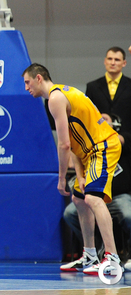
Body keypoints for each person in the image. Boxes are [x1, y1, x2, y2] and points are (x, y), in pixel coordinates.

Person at [22, 63, 123, 276]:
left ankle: (112, 257)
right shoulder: (61, 94)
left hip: (104, 146)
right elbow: (75, 143)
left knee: (93, 198)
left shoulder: (55, 99)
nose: (26, 88)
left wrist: (61, 178)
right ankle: (90, 255)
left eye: (27, 82)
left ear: (38, 78)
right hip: (89, 152)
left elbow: (64, 145)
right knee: (79, 198)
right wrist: (79, 175)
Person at [63, 113, 131, 270]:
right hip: (94, 195)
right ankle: (95, 250)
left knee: (128, 214)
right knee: (71, 211)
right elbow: (71, 152)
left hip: (118, 196)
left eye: (106, 120)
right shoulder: (89, 144)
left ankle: (119, 255)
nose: (102, 121)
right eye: (100, 119)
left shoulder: (119, 141)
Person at [86, 47, 131, 133]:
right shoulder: (92, 87)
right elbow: (88, 116)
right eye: (110, 59)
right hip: (100, 136)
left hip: (127, 138)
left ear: (124, 63)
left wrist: (124, 138)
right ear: (105, 61)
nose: (112, 63)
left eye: (117, 60)